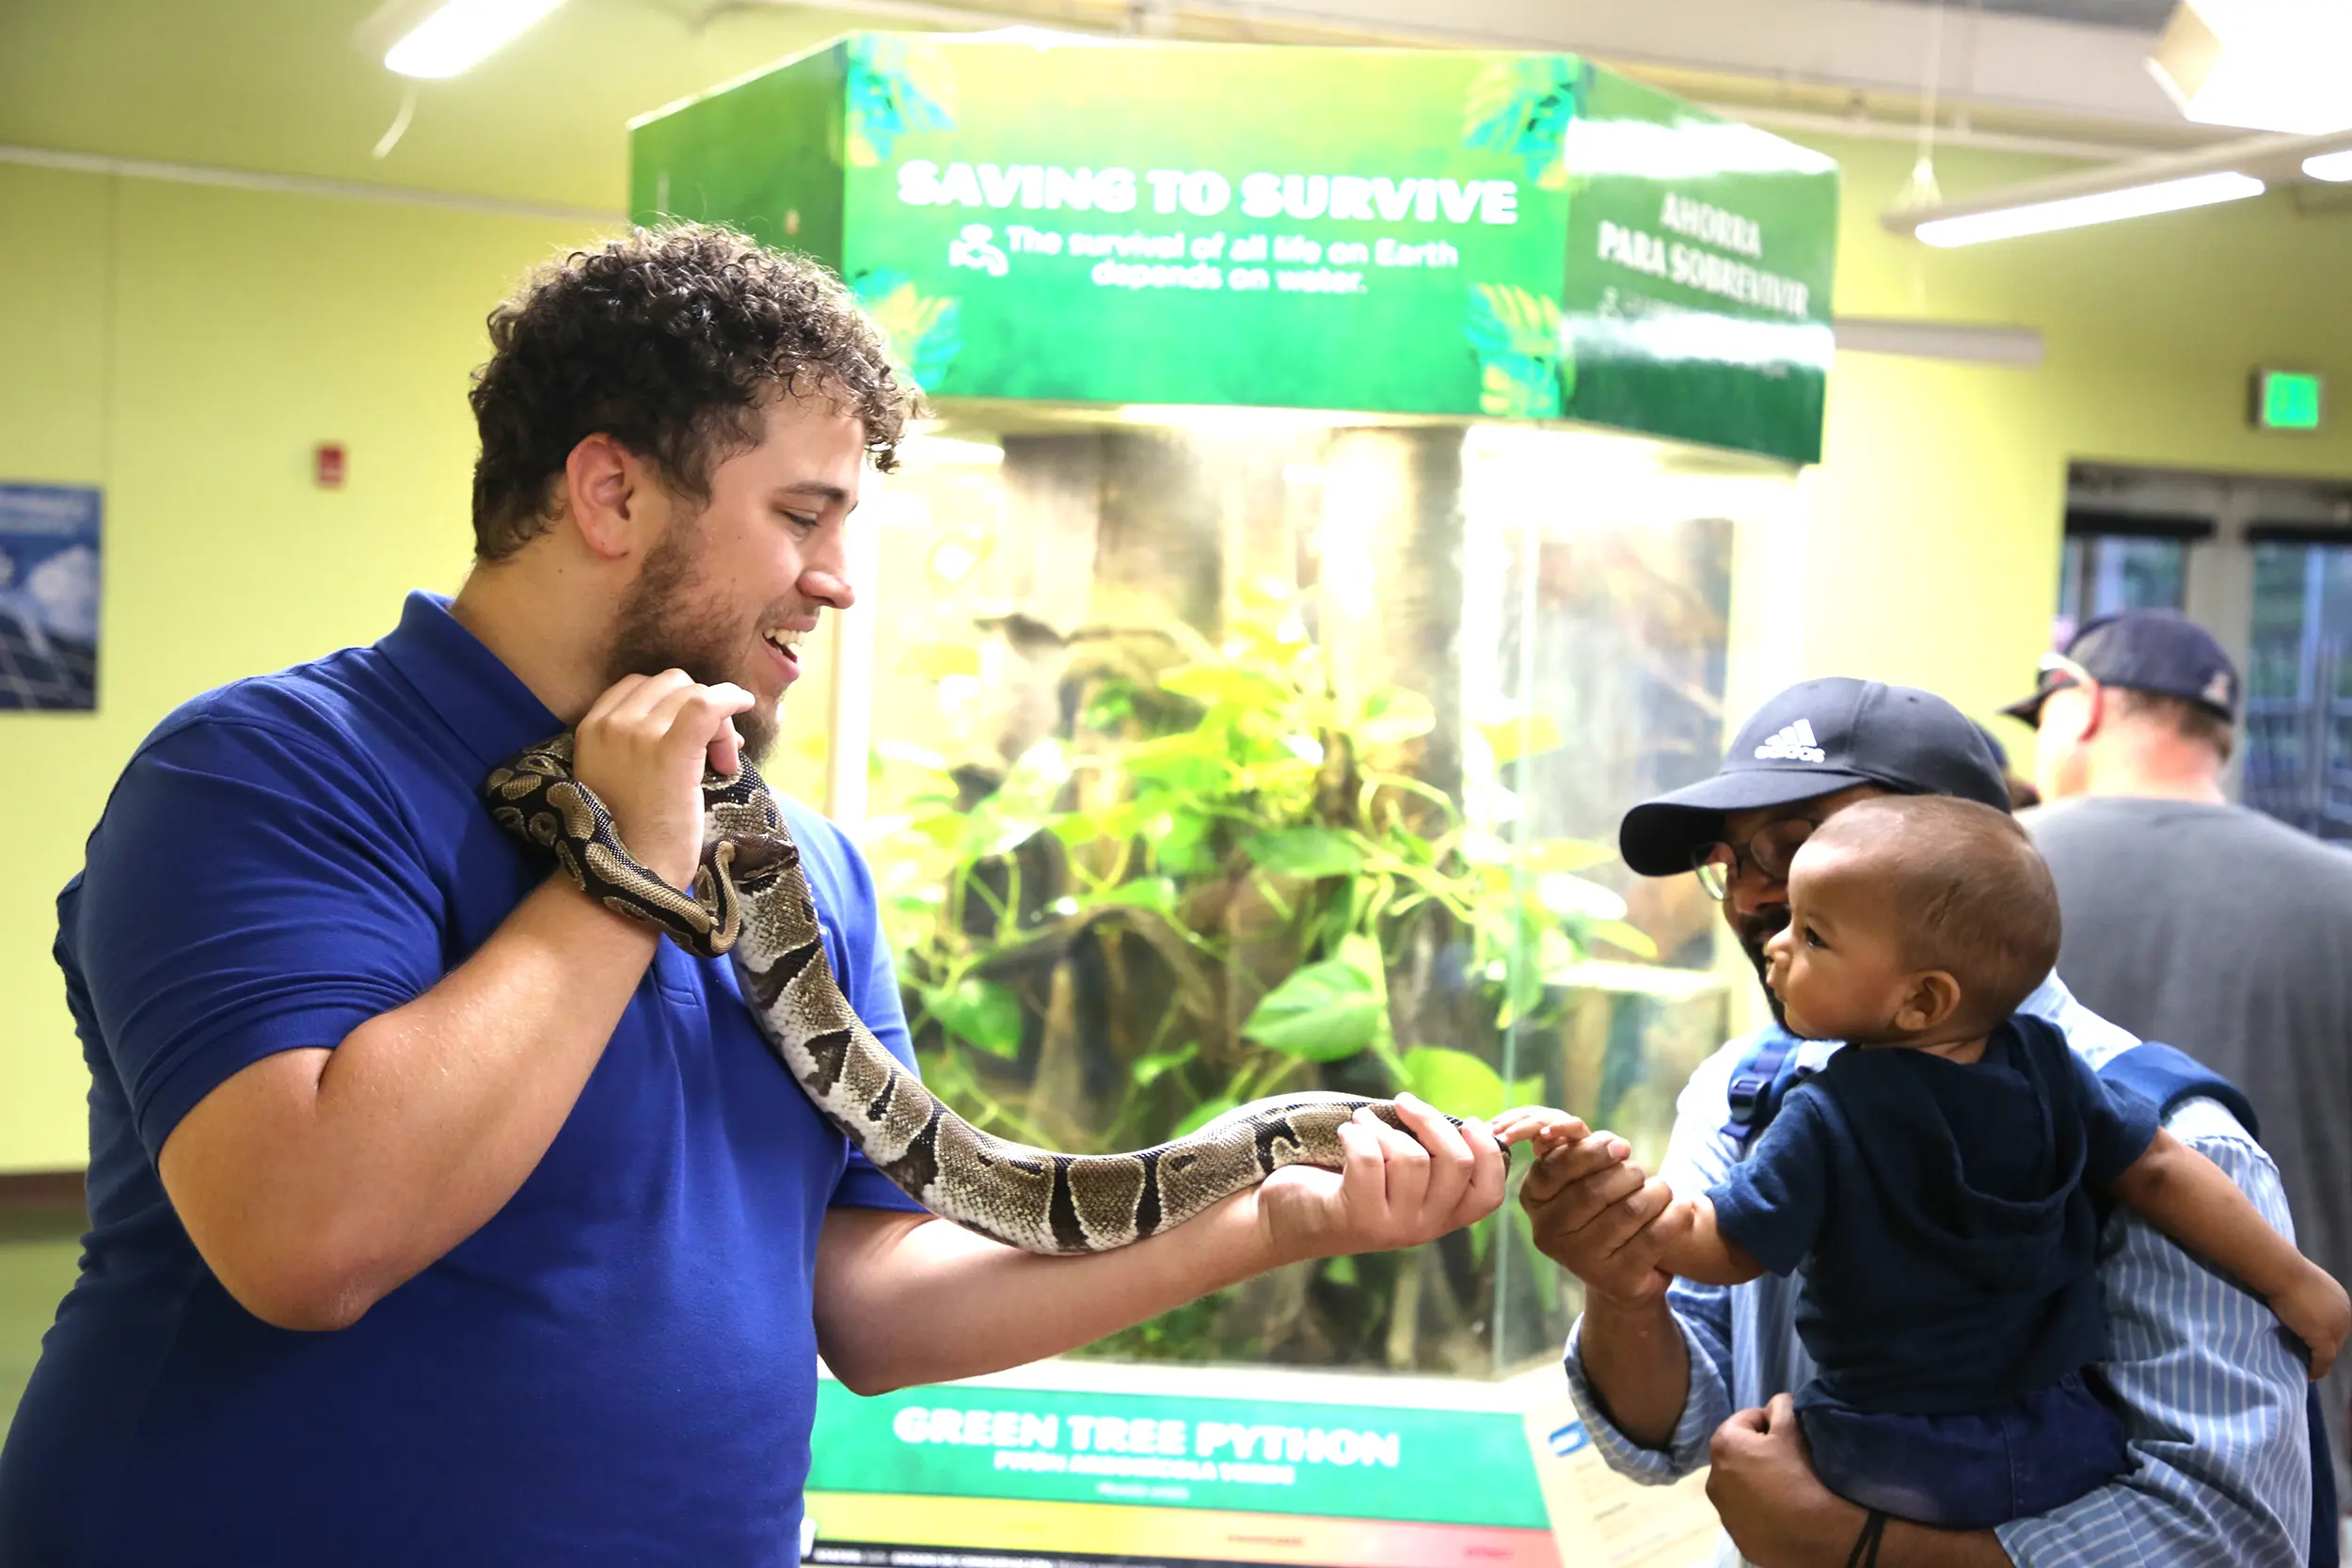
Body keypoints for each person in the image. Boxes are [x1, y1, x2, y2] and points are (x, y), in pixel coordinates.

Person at [0, 225, 1506, 1566]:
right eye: (802, 515)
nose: (840, 578)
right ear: (609, 491)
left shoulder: (800, 864)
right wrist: (630, 864)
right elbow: (310, 1236)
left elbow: (869, 1299)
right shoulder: (267, 773)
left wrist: (1260, 1219)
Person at [1518, 676, 2323, 1567]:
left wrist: (1851, 1545)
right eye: (1732, 859)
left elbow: (2233, 1534)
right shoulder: (1741, 1091)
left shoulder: (2182, 1141)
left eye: (1804, 847)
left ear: (1961, 863)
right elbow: (1678, 1422)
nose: (1752, 899)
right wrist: (1624, 1279)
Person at [2006, 608, 2352, 1527]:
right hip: (2282, 1446)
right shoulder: (2341, 896)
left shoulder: (1975, 887)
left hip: (2008, 1456)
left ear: (2077, 706)